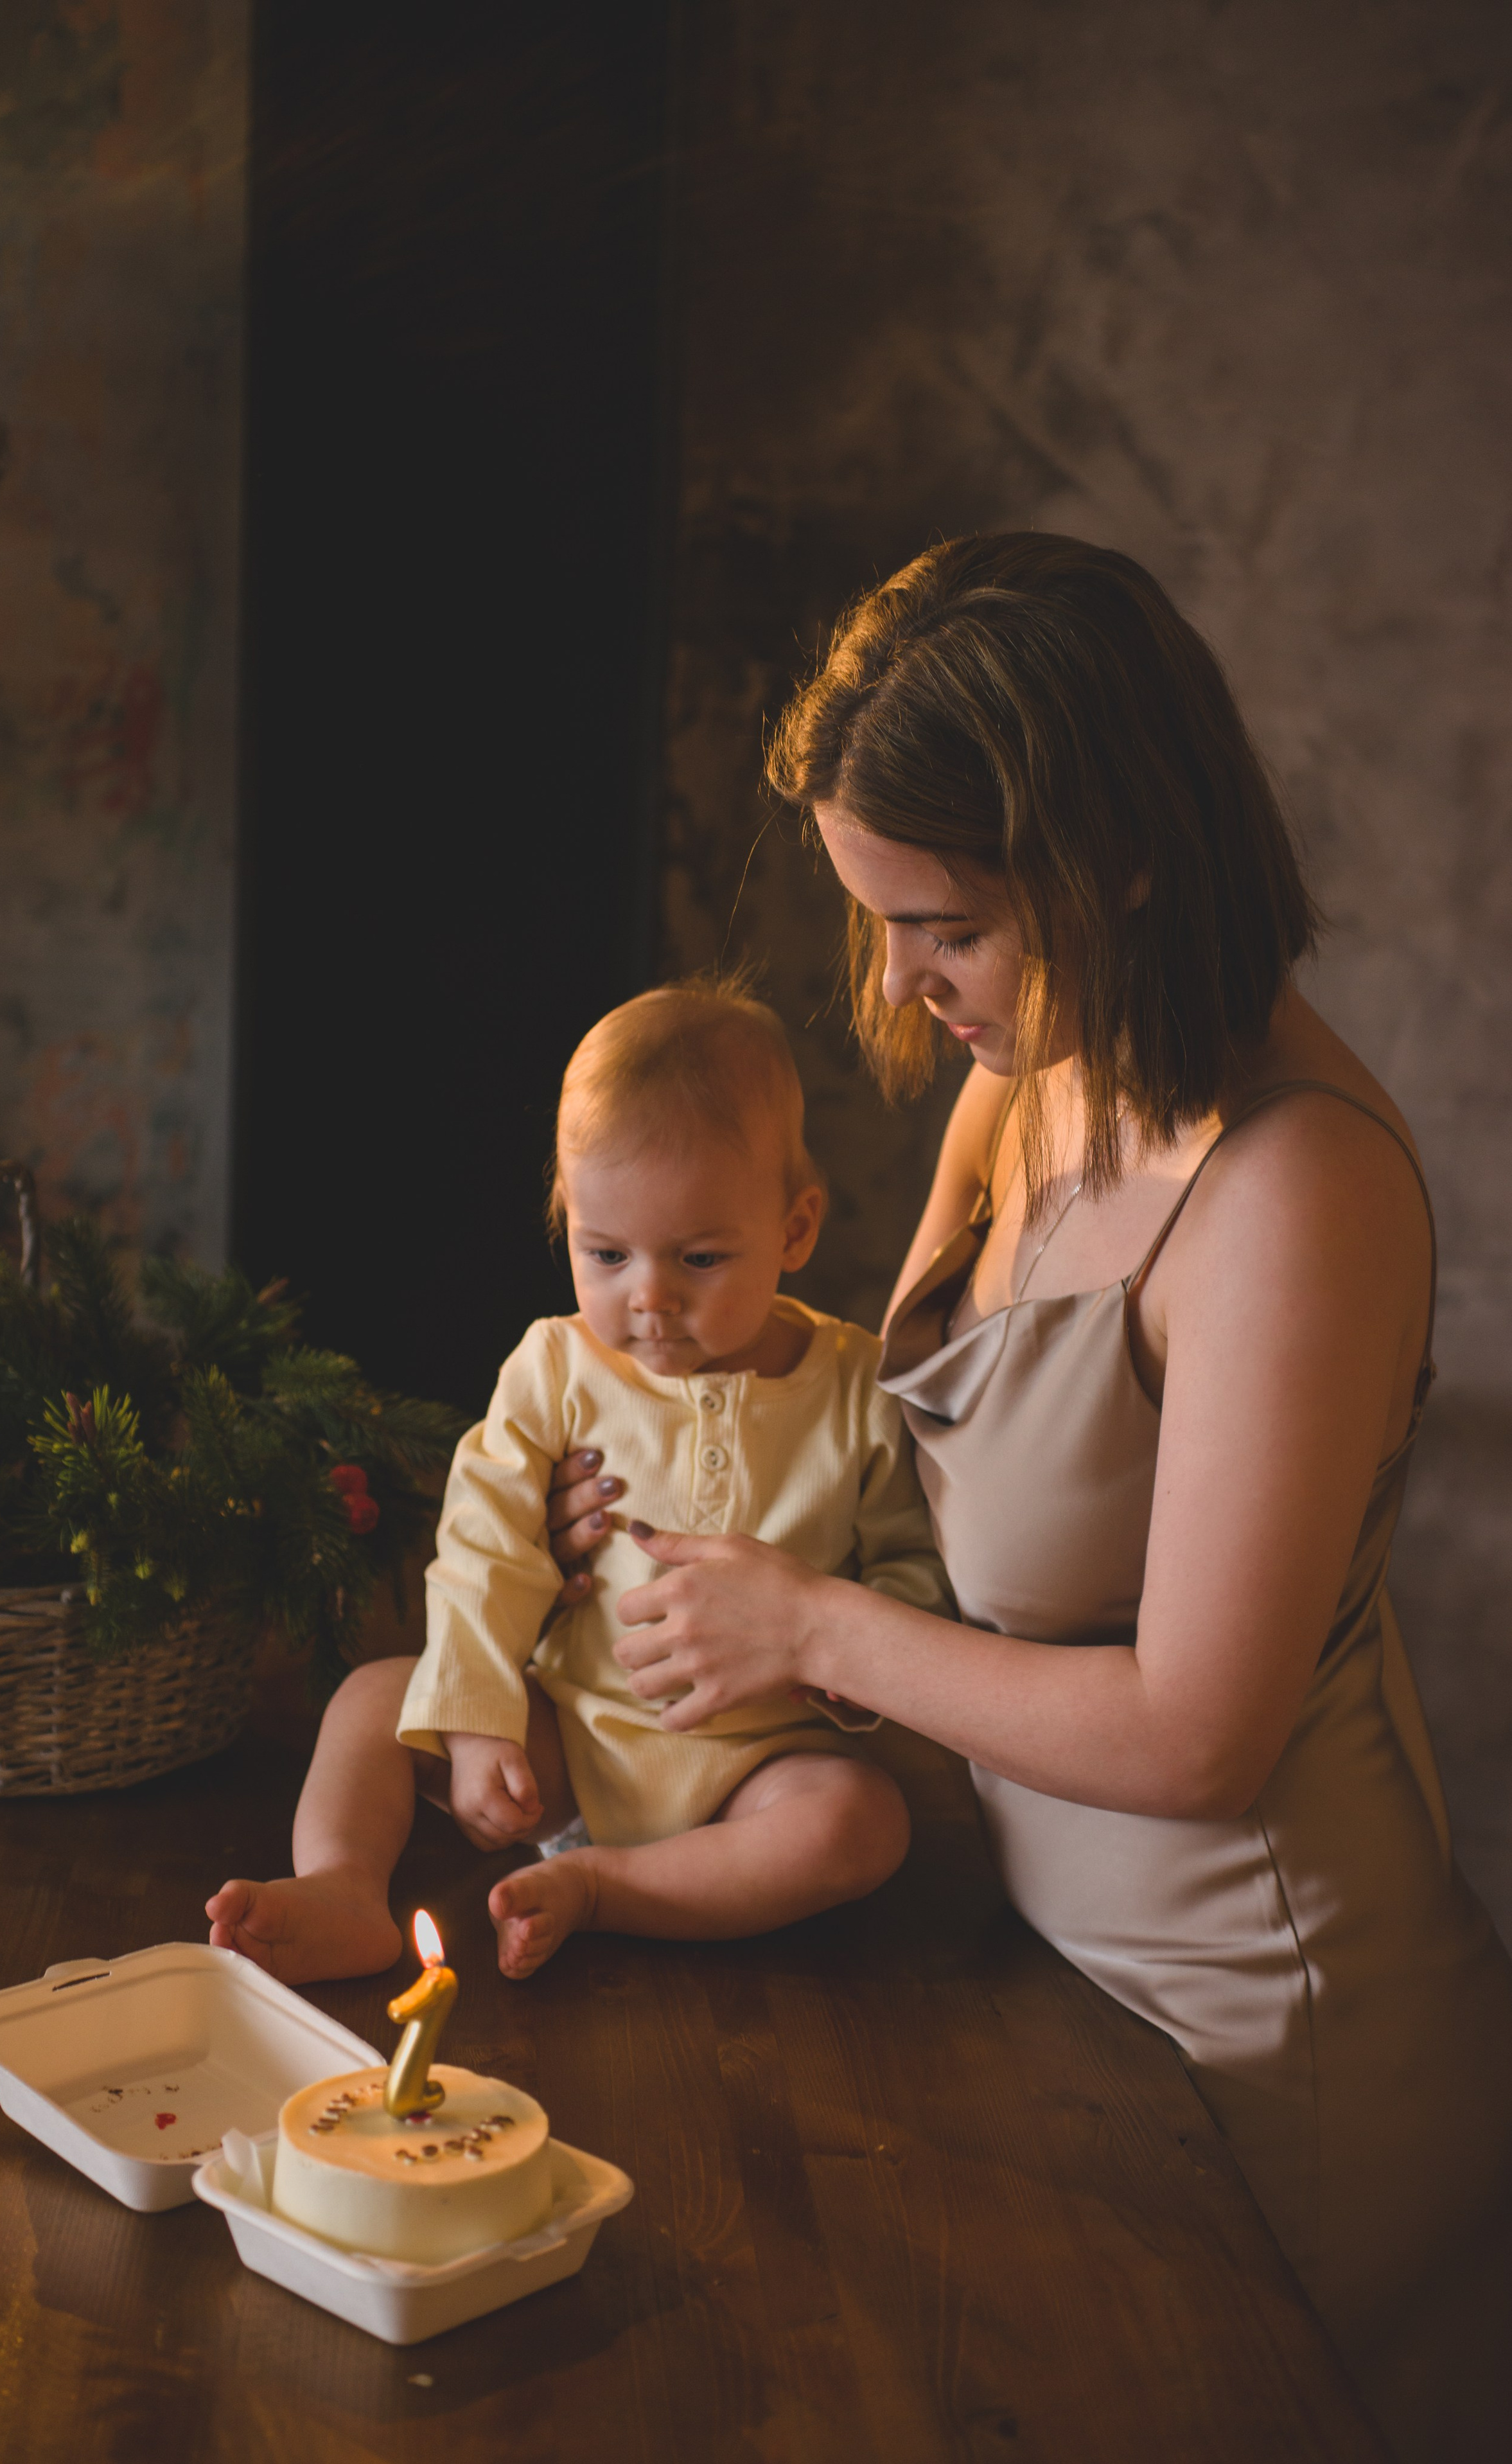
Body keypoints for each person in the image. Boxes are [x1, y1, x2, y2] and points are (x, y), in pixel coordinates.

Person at [543, 535, 1512, 2461]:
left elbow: (1199, 1733)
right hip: (1050, 1984)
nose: (904, 983)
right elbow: (889, 1458)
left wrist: (811, 1627)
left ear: (1117, 856)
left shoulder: (1295, 1191)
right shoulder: (1027, 1081)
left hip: (1264, 2045)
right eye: (880, 920)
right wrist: (654, 1489)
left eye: (949, 927)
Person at [208, 979, 950, 1985]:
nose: (649, 1298)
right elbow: (487, 1546)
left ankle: (605, 1888)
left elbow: (912, 1571)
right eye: (605, 1253)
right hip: (568, 1734)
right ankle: (343, 1886)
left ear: (794, 1228)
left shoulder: (857, 1387)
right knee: (374, 1698)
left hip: (761, 1765)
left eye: (699, 1257)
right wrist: (479, 1720)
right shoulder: (555, 1367)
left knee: (862, 1823)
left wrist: (834, 1667)